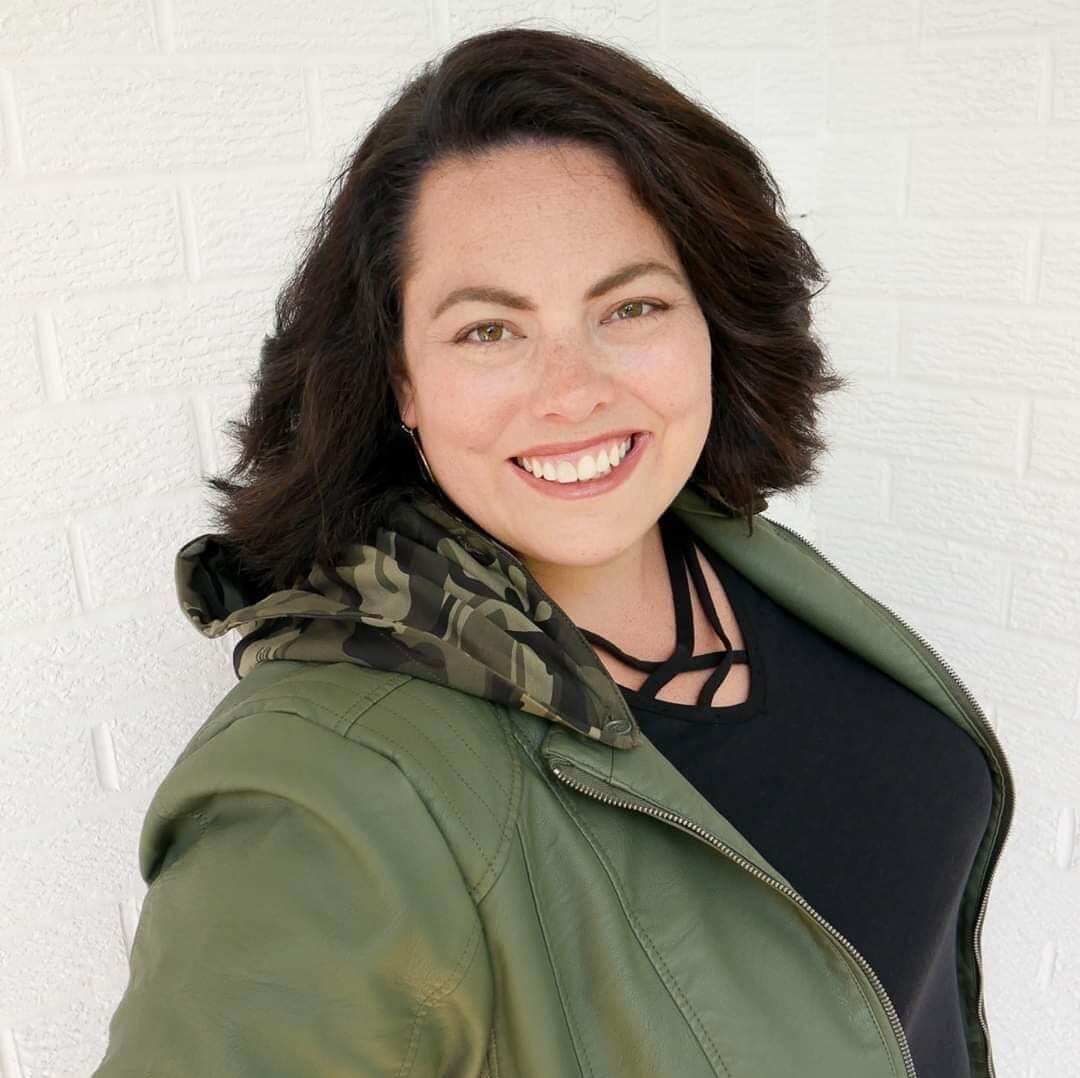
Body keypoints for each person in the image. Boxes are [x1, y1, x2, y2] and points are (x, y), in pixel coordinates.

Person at [92, 25, 1015, 1078]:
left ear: (709, 320)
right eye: (490, 330)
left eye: (631, 306)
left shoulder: (736, 552)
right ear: (401, 382)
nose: (574, 391)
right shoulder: (316, 795)